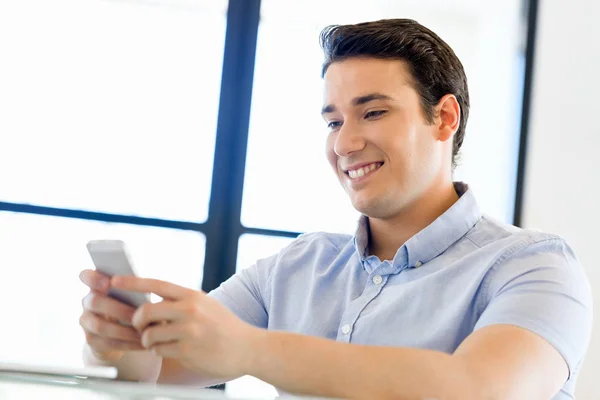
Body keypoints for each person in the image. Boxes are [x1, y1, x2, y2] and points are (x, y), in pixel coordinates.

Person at [78, 19, 592, 400]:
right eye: (332, 122)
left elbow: (479, 389)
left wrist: (252, 350)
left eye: (372, 112)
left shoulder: (535, 267)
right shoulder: (296, 268)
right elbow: (165, 370)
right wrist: (117, 343)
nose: (345, 143)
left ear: (444, 117)